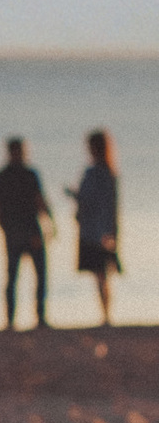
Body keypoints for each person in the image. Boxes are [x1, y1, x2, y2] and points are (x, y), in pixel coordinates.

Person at [0, 137, 52, 331]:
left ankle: (18, 320)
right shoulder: (25, 175)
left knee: (19, 276)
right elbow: (39, 201)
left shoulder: (2, 177)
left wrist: (4, 227)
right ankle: (31, 318)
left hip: (20, 231)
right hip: (28, 230)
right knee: (27, 275)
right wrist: (50, 222)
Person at [72, 128, 122, 326]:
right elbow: (112, 206)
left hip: (95, 231)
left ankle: (106, 315)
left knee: (101, 274)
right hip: (101, 230)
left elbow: (92, 201)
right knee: (102, 274)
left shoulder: (96, 173)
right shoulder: (109, 173)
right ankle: (106, 315)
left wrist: (76, 197)